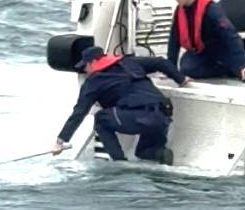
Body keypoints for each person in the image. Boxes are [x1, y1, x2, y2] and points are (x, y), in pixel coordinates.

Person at [51, 46, 189, 164]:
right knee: (143, 152)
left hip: (138, 117)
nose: (85, 71)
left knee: (100, 119)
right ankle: (161, 154)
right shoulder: (129, 63)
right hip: (162, 115)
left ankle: (119, 162)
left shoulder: (93, 82)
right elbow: (161, 62)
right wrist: (181, 80)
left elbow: (79, 113)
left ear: (93, 62)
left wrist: (60, 141)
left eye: (85, 66)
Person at [166, 0, 245, 81]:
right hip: (203, 52)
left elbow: (230, 35)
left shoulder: (211, 10)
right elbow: (174, 40)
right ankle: (224, 69)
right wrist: (170, 68)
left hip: (223, 51)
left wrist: (242, 62)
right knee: (187, 68)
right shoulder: (180, 11)